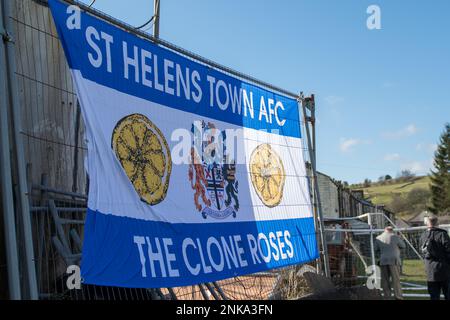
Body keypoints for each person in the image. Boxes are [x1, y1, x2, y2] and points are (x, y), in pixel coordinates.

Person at [420, 215, 450, 300]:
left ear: (427, 223)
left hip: (430, 269)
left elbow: (422, 252)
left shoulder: (423, 235)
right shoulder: (442, 234)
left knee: (434, 295)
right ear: (437, 223)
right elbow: (448, 250)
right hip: (443, 268)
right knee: (447, 294)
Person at [375, 226, 406, 299]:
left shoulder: (378, 237)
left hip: (383, 260)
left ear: (384, 230)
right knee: (396, 280)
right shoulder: (395, 237)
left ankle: (387, 297)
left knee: (385, 281)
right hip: (394, 261)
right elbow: (403, 246)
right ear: (392, 230)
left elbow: (376, 249)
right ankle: (398, 296)